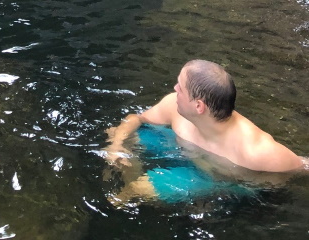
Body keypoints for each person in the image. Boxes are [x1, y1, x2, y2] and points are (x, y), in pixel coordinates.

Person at [104, 60, 307, 202]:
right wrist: (116, 147)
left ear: (199, 106)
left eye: (180, 88)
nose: (175, 88)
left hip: (216, 178)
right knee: (118, 133)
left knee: (131, 193)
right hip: (187, 151)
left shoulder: (257, 150)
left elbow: (302, 167)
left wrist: (225, 190)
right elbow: (136, 118)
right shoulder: (174, 108)